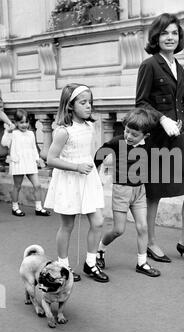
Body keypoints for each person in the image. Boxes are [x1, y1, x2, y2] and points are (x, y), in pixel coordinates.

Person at [135, 13, 184, 263]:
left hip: (179, 137)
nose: (170, 37)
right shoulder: (149, 65)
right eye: (165, 33)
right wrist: (162, 119)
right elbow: (141, 102)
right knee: (154, 193)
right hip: (157, 139)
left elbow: (181, 104)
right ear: (156, 37)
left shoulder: (178, 66)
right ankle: (150, 243)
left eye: (175, 33)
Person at [44, 83, 109, 283]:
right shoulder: (63, 131)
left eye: (90, 102)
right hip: (69, 179)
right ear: (70, 105)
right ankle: (63, 265)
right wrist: (76, 167)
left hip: (87, 178)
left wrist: (97, 168)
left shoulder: (89, 126)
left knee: (98, 221)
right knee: (67, 225)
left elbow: (88, 153)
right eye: (83, 102)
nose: (89, 106)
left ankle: (91, 262)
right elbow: (50, 159)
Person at [94, 108, 161, 277]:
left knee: (143, 227)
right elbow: (100, 154)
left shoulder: (149, 145)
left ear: (145, 136)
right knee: (118, 229)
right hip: (122, 190)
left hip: (140, 191)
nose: (129, 136)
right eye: (127, 131)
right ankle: (100, 249)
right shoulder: (118, 142)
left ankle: (142, 262)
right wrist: (94, 172)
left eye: (134, 134)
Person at [1, 109, 50, 217]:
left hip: (30, 162)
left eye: (26, 122)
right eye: (21, 122)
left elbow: (33, 148)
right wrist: (8, 132)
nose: (24, 125)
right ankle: (15, 207)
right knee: (17, 186)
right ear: (16, 122)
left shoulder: (31, 134)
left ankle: (39, 208)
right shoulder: (13, 133)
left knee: (37, 185)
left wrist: (38, 159)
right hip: (18, 162)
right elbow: (4, 143)